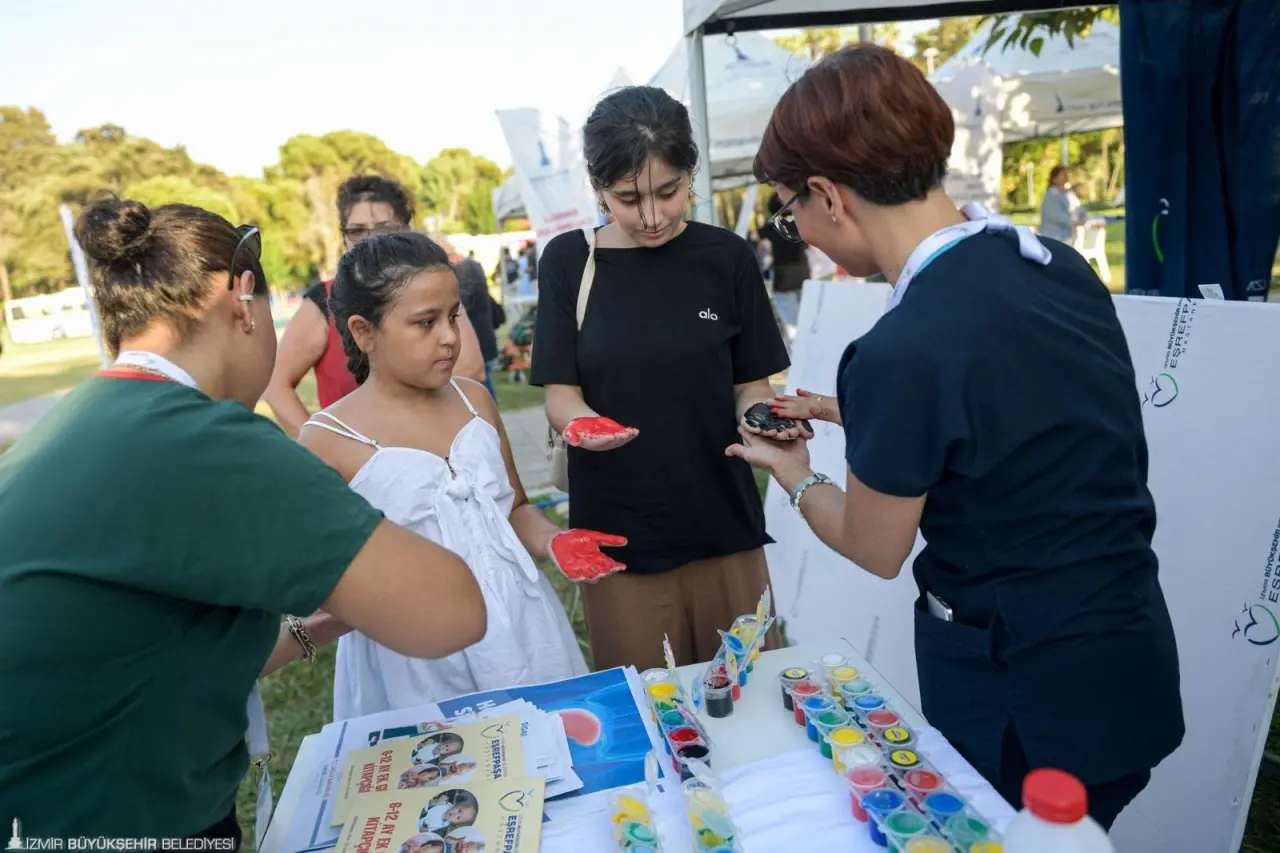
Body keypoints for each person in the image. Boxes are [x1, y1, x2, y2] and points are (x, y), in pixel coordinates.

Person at [733, 45, 1183, 830]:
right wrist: (858, 412)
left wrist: (792, 470)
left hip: (1025, 702)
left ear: (828, 196)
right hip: (1127, 659)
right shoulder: (1054, 265)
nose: (796, 229)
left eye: (788, 208)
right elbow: (1021, 417)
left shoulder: (900, 350)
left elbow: (875, 546)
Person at [0, 198, 487, 841]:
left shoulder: (80, 417)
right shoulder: (199, 439)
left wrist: (340, 608)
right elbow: (451, 611)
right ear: (243, 297)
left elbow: (164, 640)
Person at [299, 231, 623, 720]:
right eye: (425, 323)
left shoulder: (476, 401)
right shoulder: (327, 439)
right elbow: (323, 575)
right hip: (415, 655)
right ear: (364, 332)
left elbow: (512, 506)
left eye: (453, 316)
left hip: (517, 623)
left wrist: (552, 540)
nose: (450, 336)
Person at [531, 85, 791, 671]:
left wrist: (762, 417)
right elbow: (560, 397)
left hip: (723, 522)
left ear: (690, 173)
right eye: (627, 198)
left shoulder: (727, 258)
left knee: (748, 703)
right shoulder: (569, 262)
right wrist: (583, 426)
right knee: (651, 718)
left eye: (668, 192)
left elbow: (752, 384)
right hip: (618, 537)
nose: (651, 216)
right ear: (599, 188)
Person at [264, 175, 485, 436]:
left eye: (383, 228)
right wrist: (326, 449)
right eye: (356, 230)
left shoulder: (433, 293)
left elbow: (471, 369)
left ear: (406, 229)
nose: (369, 239)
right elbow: (275, 384)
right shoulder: (322, 302)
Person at [435, 234, 500, 399]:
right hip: (481, 333)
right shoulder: (472, 267)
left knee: (482, 388)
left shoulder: (467, 270)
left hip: (477, 335)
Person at [758, 192, 812, 329]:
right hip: (803, 274)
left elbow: (764, 259)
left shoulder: (764, 232)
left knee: (792, 326)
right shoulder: (799, 224)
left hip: (782, 279)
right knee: (809, 321)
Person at [1039, 165, 1085, 243]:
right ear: (1054, 178)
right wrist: (1074, 222)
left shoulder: (1068, 194)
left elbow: (1079, 209)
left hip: (1067, 236)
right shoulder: (1051, 195)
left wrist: (1084, 219)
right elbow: (1057, 215)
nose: (1066, 176)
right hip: (1054, 238)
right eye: (1063, 174)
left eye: (1066, 173)